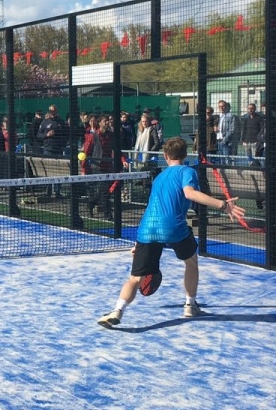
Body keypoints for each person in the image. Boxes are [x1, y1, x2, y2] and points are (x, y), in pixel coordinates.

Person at [97, 137, 245, 329]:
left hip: (147, 229)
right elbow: (190, 193)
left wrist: (138, 243)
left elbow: (153, 207)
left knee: (135, 278)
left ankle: (117, 310)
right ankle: (190, 305)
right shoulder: (188, 171)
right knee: (191, 262)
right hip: (174, 228)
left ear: (166, 156)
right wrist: (223, 205)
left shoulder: (159, 177)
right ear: (185, 154)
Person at [37, 104, 69, 198]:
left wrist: (63, 145)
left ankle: (57, 192)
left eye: (54, 111)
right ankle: (48, 192)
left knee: (58, 171)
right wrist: (47, 135)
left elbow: (66, 135)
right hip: (48, 150)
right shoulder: (44, 122)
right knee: (48, 171)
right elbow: (38, 135)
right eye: (51, 111)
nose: (52, 113)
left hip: (58, 150)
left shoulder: (61, 122)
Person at [216, 100, 238, 164]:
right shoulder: (219, 116)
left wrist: (225, 139)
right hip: (218, 140)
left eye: (223, 106)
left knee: (227, 160)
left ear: (226, 107)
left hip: (226, 141)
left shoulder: (231, 116)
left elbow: (232, 129)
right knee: (221, 159)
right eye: (219, 106)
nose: (221, 108)